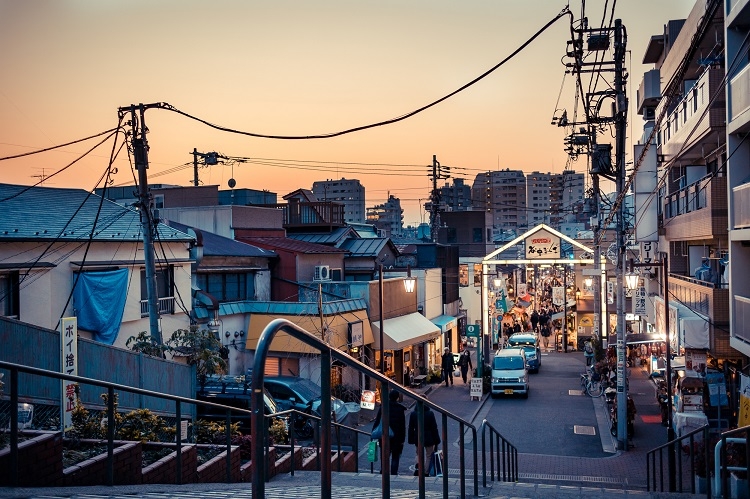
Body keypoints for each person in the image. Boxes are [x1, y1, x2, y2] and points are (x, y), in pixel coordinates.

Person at [372, 390, 407, 475]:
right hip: (397, 437)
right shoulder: (400, 409)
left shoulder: (383, 407)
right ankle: (394, 473)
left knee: (385, 455)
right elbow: (402, 425)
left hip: (384, 435)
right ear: (397, 397)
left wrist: (373, 433)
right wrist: (402, 439)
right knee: (395, 456)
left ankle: (384, 471)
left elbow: (377, 421)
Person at [407, 405, 440, 476]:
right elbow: (434, 427)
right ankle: (426, 472)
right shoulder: (430, 413)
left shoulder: (413, 413)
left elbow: (411, 427)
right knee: (429, 455)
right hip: (429, 437)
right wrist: (436, 439)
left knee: (418, 454)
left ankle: (418, 469)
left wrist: (411, 438)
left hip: (418, 436)